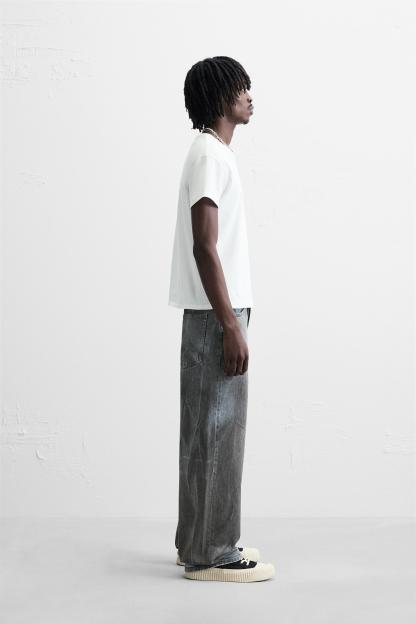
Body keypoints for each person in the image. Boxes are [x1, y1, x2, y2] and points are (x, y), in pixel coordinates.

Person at [168, 56, 275, 583]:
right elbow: (204, 246)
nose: (249, 95)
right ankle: (215, 553)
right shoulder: (211, 155)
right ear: (219, 97)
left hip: (210, 311)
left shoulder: (209, 153)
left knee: (202, 433)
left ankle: (196, 542)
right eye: (240, 87)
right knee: (220, 432)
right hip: (218, 314)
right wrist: (231, 323)